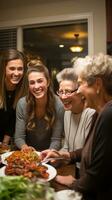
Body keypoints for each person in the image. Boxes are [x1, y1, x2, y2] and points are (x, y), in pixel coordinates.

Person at [41, 53, 112, 200]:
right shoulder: (101, 112)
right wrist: (64, 155)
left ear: (98, 84)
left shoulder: (108, 114)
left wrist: (74, 183)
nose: (78, 90)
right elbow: (93, 151)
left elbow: (97, 175)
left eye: (80, 84)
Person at [14, 60, 64, 151]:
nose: (36, 86)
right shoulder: (22, 104)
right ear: (28, 86)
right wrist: (25, 148)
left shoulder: (59, 104)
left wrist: (48, 153)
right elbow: (19, 137)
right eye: (32, 83)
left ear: (48, 82)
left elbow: (56, 140)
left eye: (40, 81)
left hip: (49, 154)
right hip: (28, 155)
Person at [56, 68, 95, 177]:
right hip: (75, 169)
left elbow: (89, 152)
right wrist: (56, 155)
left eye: (68, 92)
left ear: (81, 93)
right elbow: (67, 147)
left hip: (89, 174)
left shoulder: (91, 114)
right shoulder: (67, 112)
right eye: (60, 91)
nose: (63, 97)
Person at [0, 49, 27, 146]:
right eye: (12, 68)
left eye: (20, 69)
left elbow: (13, 121)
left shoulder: (23, 91)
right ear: (4, 68)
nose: (16, 73)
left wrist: (4, 143)